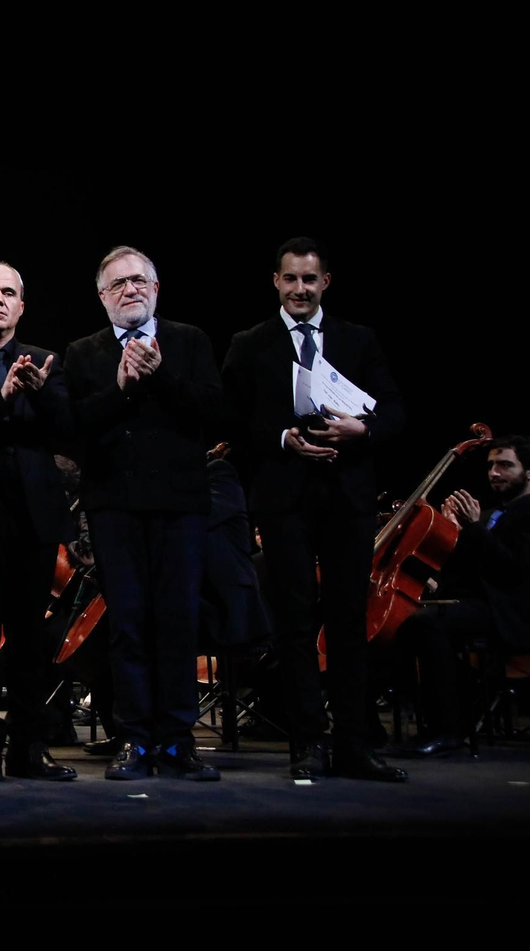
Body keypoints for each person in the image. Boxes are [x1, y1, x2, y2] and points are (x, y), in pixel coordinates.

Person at [221, 237, 407, 782]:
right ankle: (307, 743)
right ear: (275, 282)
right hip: (284, 501)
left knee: (348, 621)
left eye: (309, 279)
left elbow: (396, 411)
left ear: (325, 282)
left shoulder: (358, 339)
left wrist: (362, 429)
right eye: (290, 279)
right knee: (295, 623)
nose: (299, 289)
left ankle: (353, 744)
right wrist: (282, 438)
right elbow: (229, 419)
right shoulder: (250, 344)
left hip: (347, 498)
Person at [62, 246, 222, 781]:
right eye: (117, 284)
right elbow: (72, 428)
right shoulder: (83, 353)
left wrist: (160, 377)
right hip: (114, 508)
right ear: (102, 296)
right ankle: (132, 738)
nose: (129, 290)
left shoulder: (188, 341)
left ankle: (178, 741)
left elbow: (214, 411)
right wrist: (121, 388)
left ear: (155, 289)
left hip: (181, 508)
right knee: (127, 624)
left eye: (137, 281)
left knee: (178, 623)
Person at [0, 261, 77, 783]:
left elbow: (69, 432)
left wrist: (42, 391)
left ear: (22, 306)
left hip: (34, 515)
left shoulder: (48, 360)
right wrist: (2, 397)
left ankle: (30, 745)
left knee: (31, 638)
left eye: (9, 293)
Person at [396, 436, 530, 753]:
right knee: (412, 620)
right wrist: (454, 531)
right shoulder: (494, 513)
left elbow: (512, 572)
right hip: (485, 604)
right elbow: (475, 567)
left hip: (513, 612)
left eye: (505, 465)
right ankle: (447, 716)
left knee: (428, 624)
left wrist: (473, 529)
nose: (494, 473)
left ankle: (449, 729)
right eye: (491, 465)